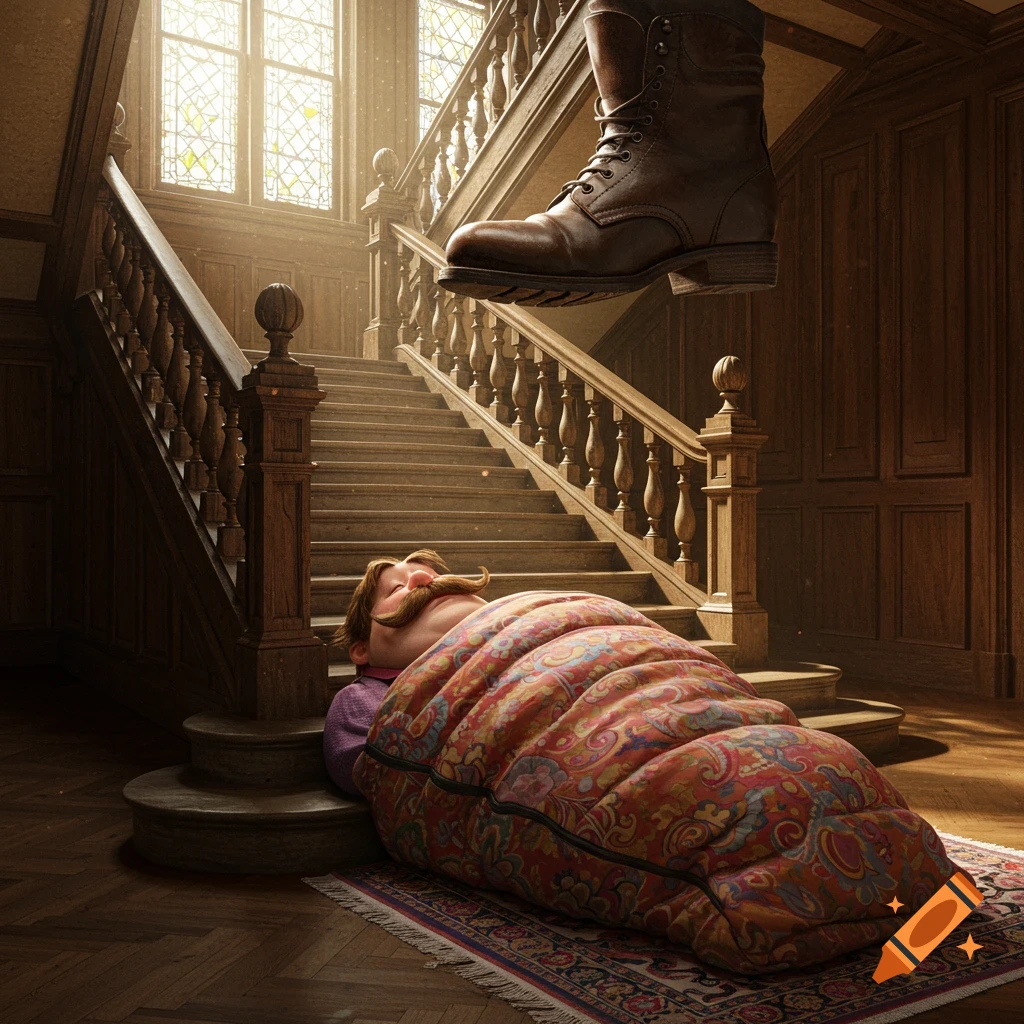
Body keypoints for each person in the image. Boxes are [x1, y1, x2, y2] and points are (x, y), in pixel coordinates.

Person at [324, 549, 491, 796]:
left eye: (437, 576)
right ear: (362, 649)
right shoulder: (363, 696)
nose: (425, 578)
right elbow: (366, 772)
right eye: (395, 589)